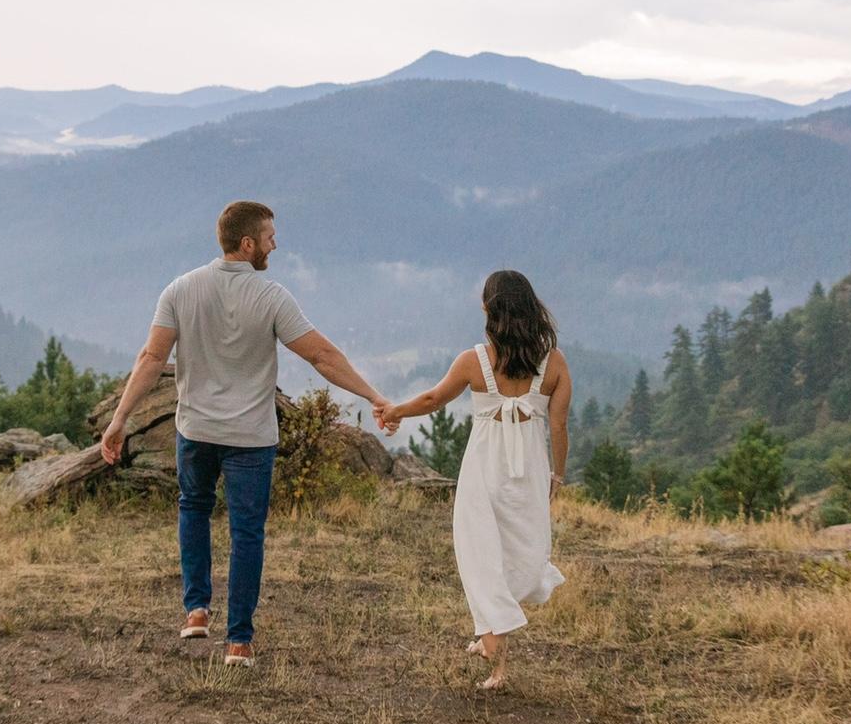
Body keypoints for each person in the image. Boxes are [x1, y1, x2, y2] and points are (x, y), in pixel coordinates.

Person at [101, 200, 392, 668]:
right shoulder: (272, 296)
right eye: (270, 237)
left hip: (195, 430)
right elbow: (321, 355)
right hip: (252, 438)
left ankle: (196, 609)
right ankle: (239, 640)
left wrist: (119, 420)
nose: (276, 244)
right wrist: (373, 395)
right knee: (246, 533)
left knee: (193, 509)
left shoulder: (180, 289)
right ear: (248, 243)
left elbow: (150, 359)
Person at [375, 269, 569, 690]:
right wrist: (558, 473)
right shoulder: (553, 363)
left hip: (484, 470)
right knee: (519, 548)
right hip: (530, 470)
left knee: (480, 553)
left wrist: (393, 412)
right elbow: (558, 426)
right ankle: (491, 638)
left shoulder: (474, 361)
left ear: (488, 309)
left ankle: (495, 653)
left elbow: (432, 400)